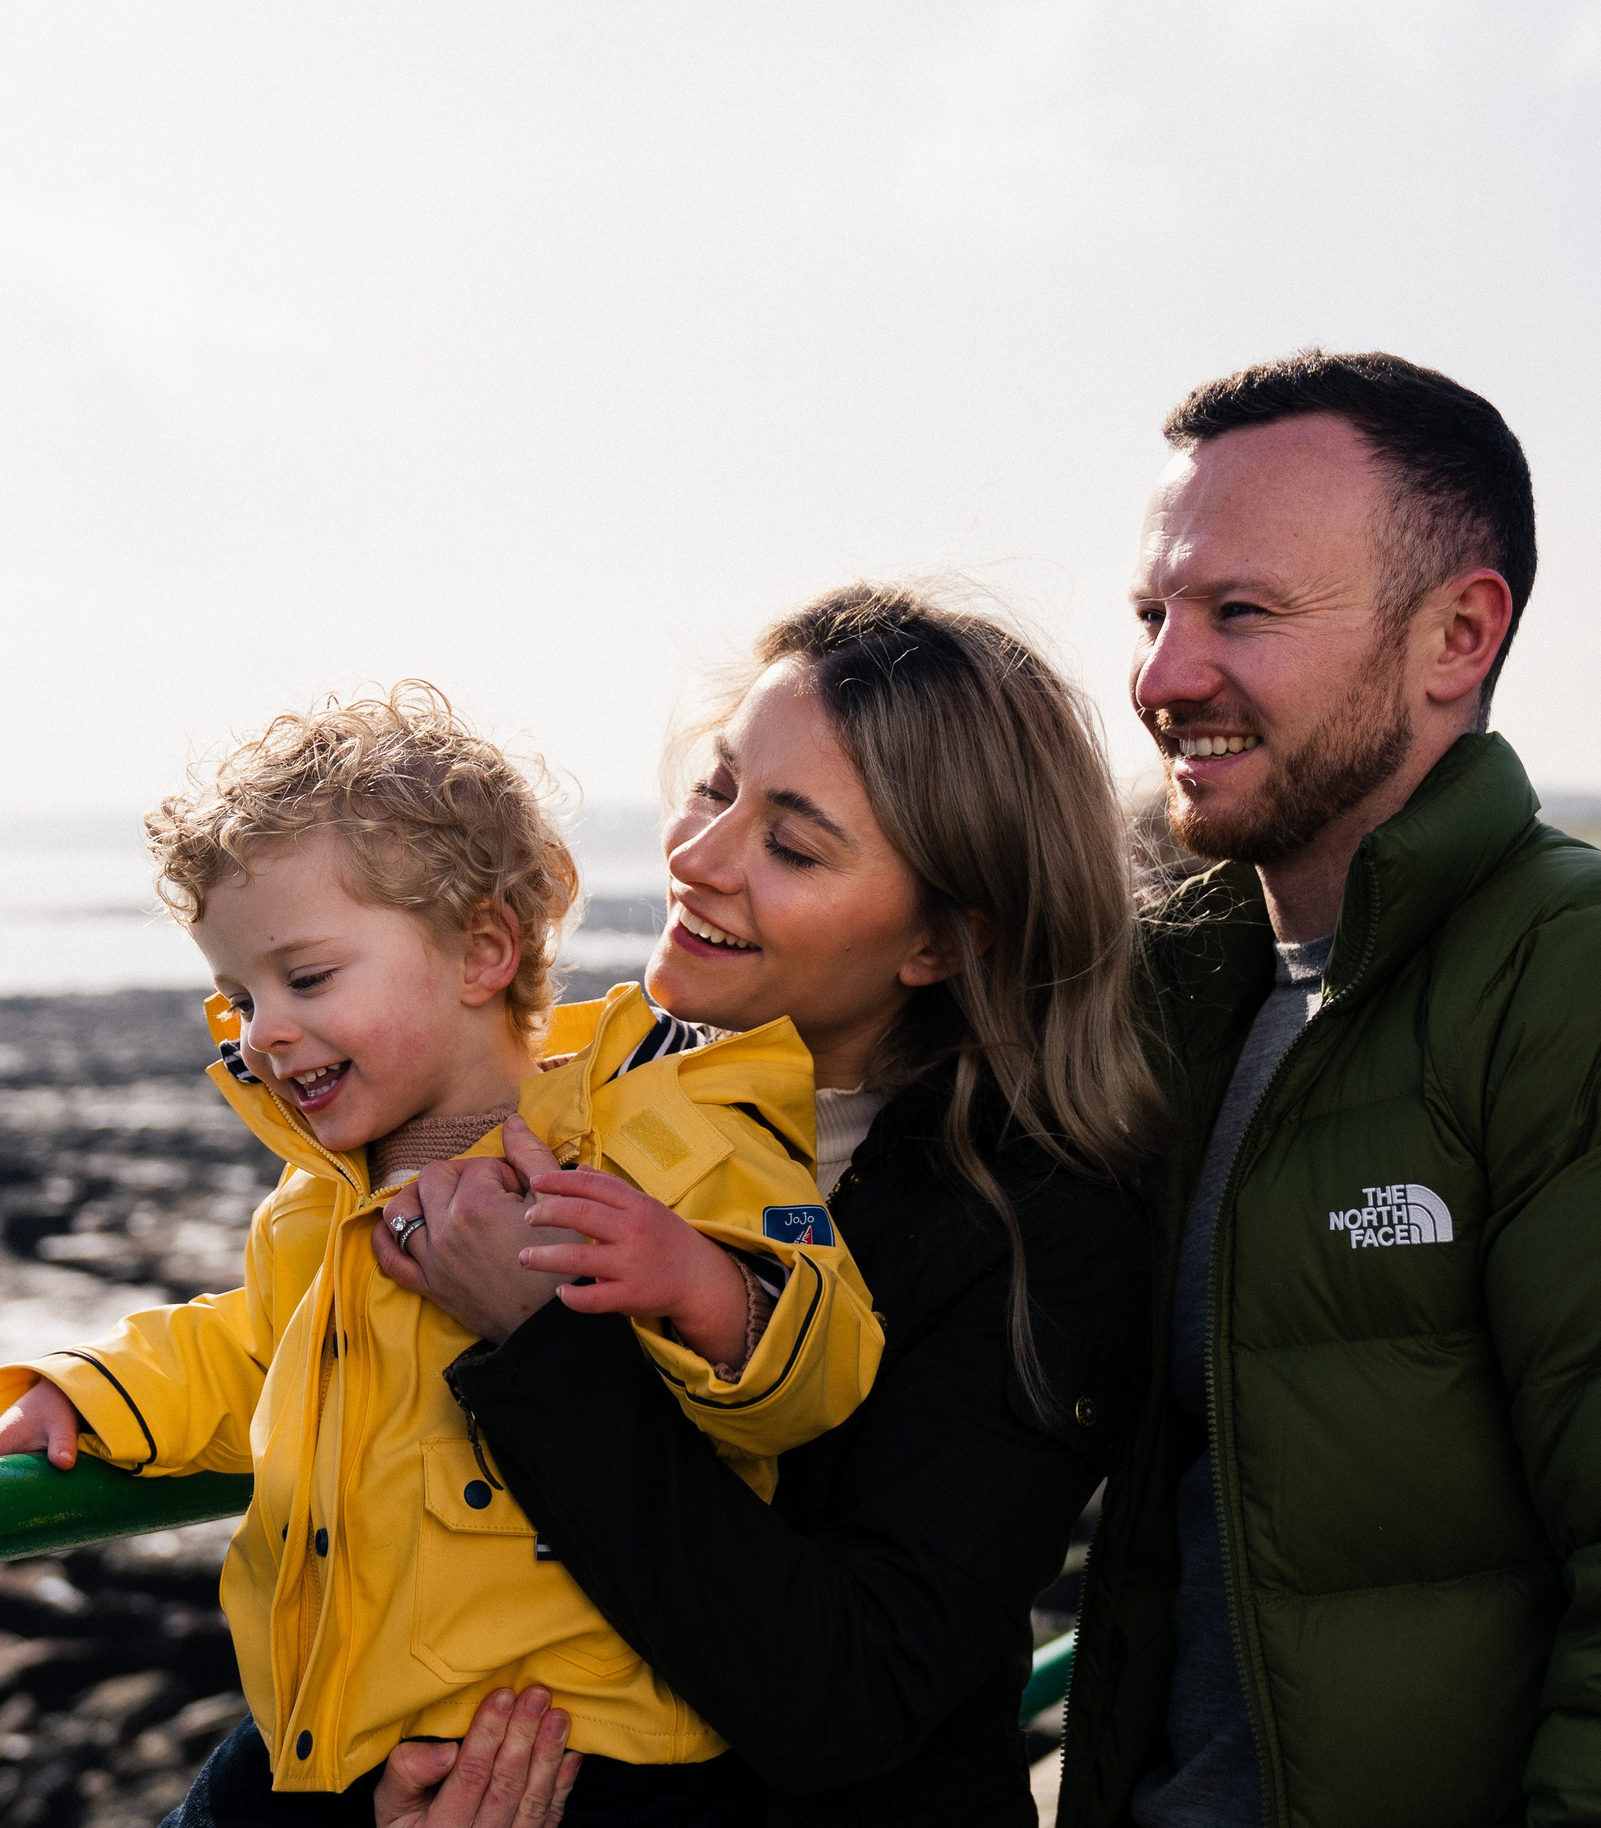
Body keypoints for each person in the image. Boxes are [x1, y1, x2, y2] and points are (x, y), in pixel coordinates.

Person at [1050, 350, 1601, 1828]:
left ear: (1457, 635)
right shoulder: (1176, 1006)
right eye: (1153, 616)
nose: (1162, 676)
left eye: (1243, 612)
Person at [0, 685, 883, 1824]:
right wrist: (89, 1391)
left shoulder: (654, 1133)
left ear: (483, 950)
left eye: (307, 978)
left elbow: (826, 1369)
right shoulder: (321, 1208)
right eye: (237, 994)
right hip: (358, 1742)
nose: (263, 1032)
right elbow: (249, 1344)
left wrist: (699, 1282)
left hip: (594, 1761)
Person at [368, 589, 1159, 1826]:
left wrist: (541, 1342)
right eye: (716, 786)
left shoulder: (1040, 1227)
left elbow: (854, 1692)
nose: (695, 856)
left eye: (791, 845)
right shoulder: (565, 1093)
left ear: (942, 945)